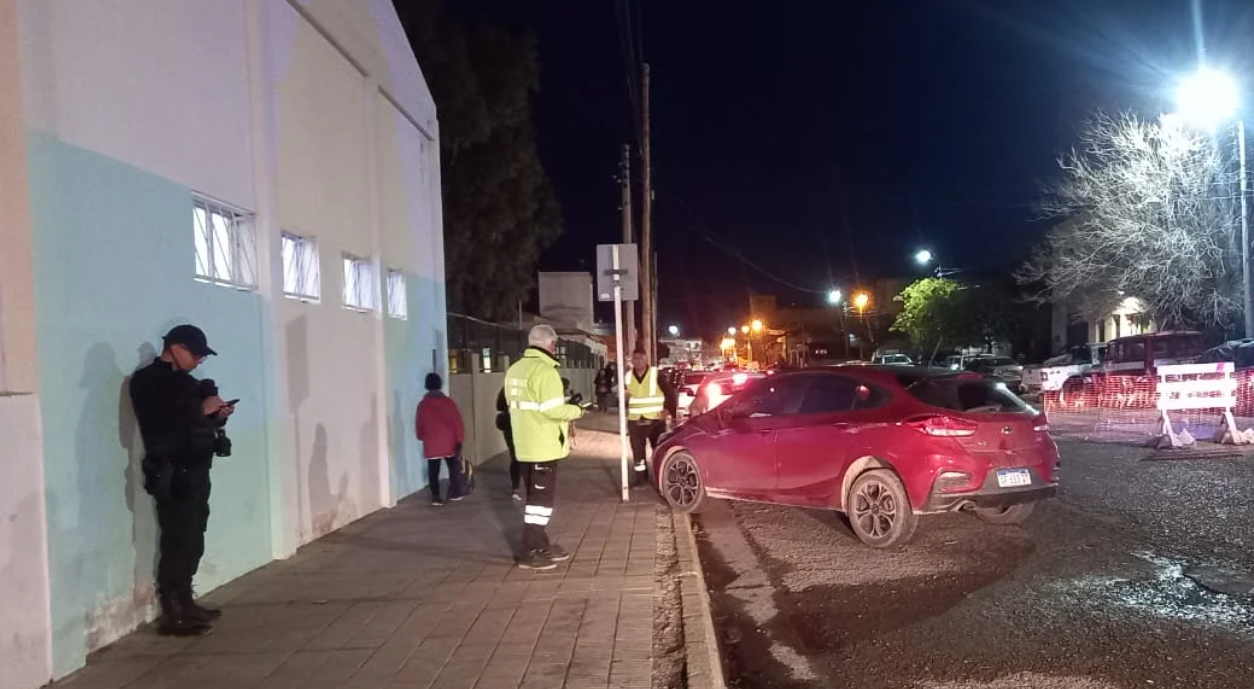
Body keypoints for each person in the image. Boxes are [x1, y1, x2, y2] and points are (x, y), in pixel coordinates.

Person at [129, 324, 235, 636]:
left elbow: (194, 420)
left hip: (197, 468)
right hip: (172, 471)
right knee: (177, 539)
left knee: (194, 537)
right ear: (176, 347)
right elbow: (161, 425)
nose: (200, 360)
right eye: (197, 353)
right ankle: (172, 611)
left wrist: (218, 415)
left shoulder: (188, 384)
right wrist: (200, 410)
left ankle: (186, 601)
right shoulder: (148, 382)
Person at [504, 324, 585, 570]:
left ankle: (541, 543)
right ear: (551, 344)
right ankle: (530, 550)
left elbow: (521, 404)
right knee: (540, 502)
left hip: (525, 444)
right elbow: (552, 410)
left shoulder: (515, 369)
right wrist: (576, 410)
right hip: (543, 445)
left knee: (535, 497)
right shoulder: (545, 371)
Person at [624, 350, 676, 487]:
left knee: (658, 449)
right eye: (635, 358)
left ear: (646, 360)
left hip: (655, 420)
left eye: (641, 358)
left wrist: (668, 410)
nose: (638, 361)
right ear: (632, 360)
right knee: (637, 452)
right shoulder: (628, 376)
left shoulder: (656, 374)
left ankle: (661, 478)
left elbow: (670, 393)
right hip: (635, 420)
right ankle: (641, 479)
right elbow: (625, 395)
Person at [415, 372, 466, 506]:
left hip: (431, 442)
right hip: (449, 441)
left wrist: (420, 435)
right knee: (453, 467)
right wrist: (459, 438)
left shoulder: (423, 404)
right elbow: (457, 422)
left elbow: (419, 423)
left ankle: (436, 496)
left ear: (426, 386)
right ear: (440, 385)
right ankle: (455, 492)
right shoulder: (448, 403)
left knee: (433, 470)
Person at [496, 386, 524, 501]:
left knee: (515, 456)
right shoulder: (526, 387)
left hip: (508, 424)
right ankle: (529, 484)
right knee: (525, 456)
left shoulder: (506, 388)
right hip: (524, 424)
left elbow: (499, 406)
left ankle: (515, 488)